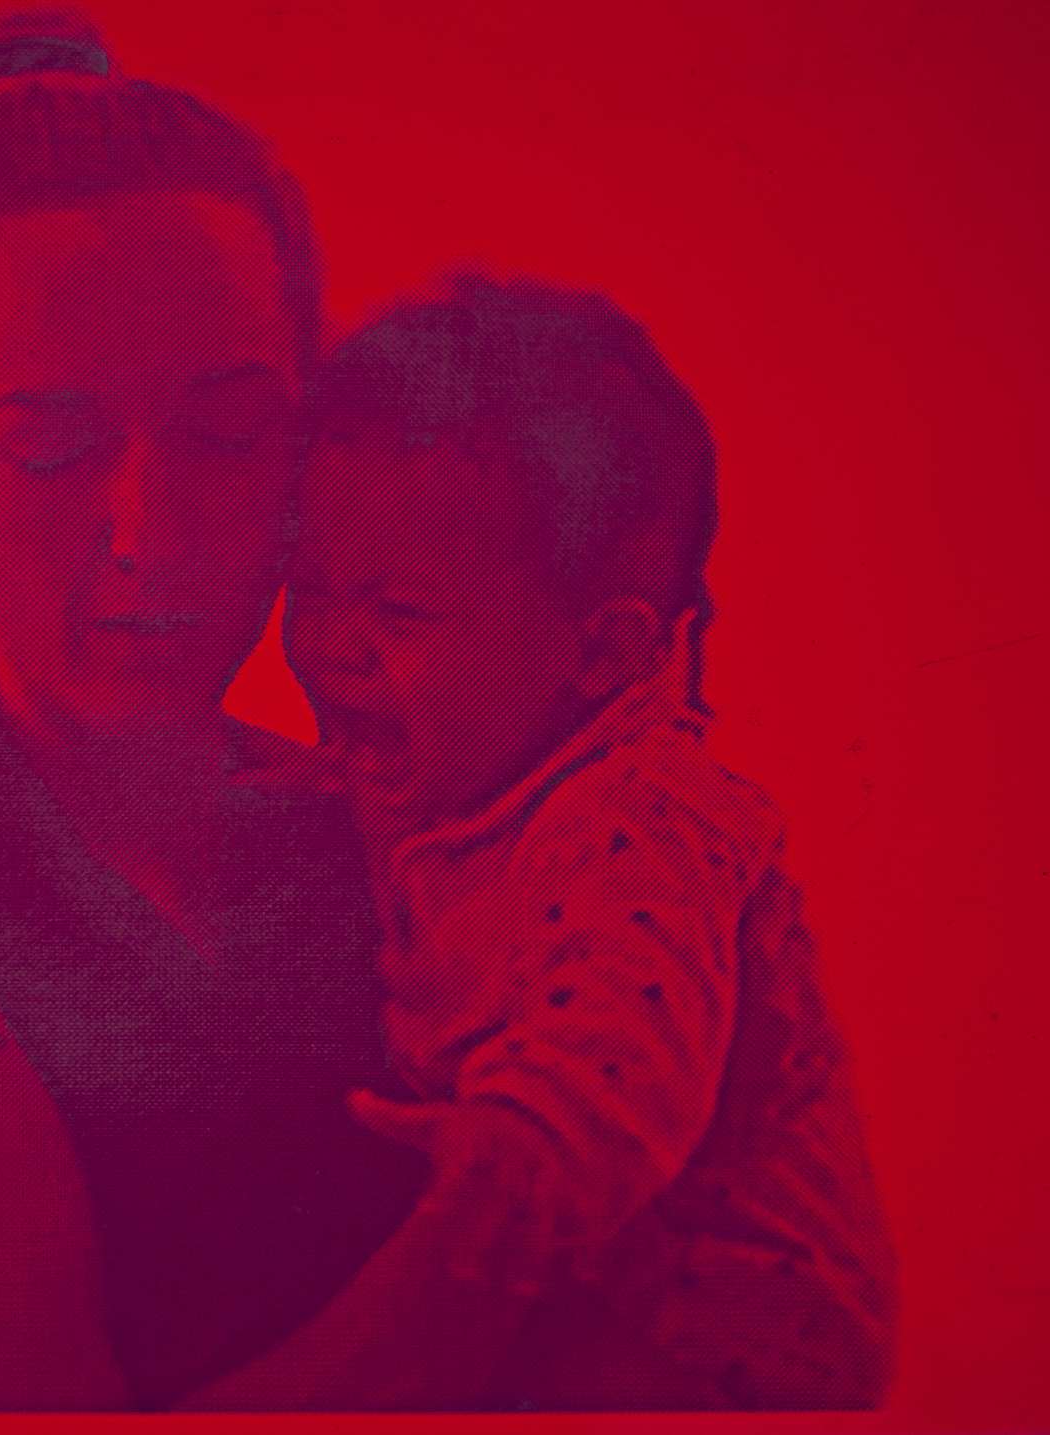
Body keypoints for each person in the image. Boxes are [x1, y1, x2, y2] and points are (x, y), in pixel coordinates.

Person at [0, 14, 570, 1413]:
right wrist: (511, 1231)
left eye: (229, 434)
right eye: (49, 446)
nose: (147, 532)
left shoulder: (387, 828)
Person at [283, 275, 899, 1408]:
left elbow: (621, 1033)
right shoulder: (461, 768)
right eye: (309, 590)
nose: (332, 646)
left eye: (398, 612)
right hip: (604, 1275)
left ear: (600, 654)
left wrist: (522, 1140)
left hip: (730, 1327)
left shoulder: (639, 818)